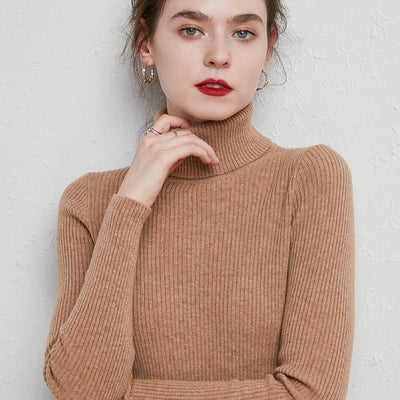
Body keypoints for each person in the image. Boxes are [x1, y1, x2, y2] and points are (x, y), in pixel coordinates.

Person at [42, 0, 355, 399]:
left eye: (244, 33)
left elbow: (312, 393)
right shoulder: (89, 202)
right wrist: (130, 203)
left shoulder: (310, 177)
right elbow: (80, 388)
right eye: (191, 29)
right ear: (146, 44)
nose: (219, 56)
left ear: (268, 50)